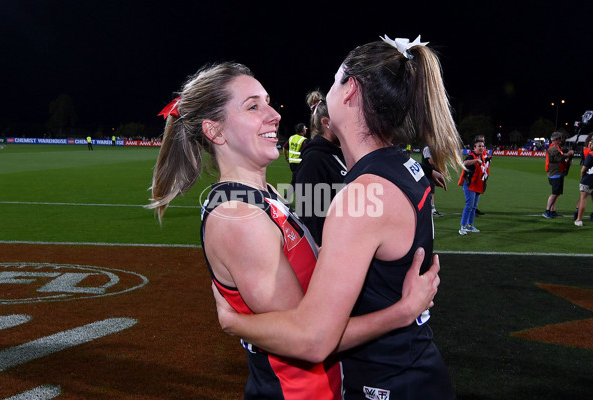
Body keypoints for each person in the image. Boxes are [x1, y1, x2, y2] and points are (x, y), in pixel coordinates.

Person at [147, 62, 441, 399]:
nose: (274, 114)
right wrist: (402, 311)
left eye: (268, 101)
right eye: (253, 106)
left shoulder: (265, 196)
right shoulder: (236, 217)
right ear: (215, 131)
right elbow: (311, 339)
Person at [212, 36, 463, 399]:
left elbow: (315, 340)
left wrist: (235, 322)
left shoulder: (362, 194)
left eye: (334, 81)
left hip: (387, 382)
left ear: (350, 91)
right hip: (415, 369)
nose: (327, 89)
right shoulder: (402, 166)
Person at [293, 90, 347, 245]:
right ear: (326, 123)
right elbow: (309, 217)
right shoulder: (314, 160)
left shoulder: (341, 153)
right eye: (342, 119)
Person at [458, 138, 487, 235]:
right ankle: (462, 227)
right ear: (474, 148)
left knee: (474, 207)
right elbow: (465, 163)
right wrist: (476, 161)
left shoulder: (481, 157)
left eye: (482, 146)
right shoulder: (471, 156)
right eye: (479, 146)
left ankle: (470, 225)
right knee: (469, 206)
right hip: (470, 185)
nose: (481, 148)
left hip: (478, 185)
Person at [543, 132, 574, 219]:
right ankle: (547, 211)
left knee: (557, 193)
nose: (561, 141)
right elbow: (559, 158)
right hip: (554, 173)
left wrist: (567, 160)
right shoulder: (553, 148)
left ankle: (552, 210)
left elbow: (560, 158)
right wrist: (568, 155)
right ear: (556, 140)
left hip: (558, 172)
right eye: (560, 139)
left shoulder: (556, 147)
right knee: (554, 193)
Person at [574, 138, 593, 226]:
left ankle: (579, 220)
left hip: (588, 179)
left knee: (583, 199)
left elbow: (583, 170)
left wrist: (582, 178)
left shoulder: (591, 155)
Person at [422, 145, 444, 217]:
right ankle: (430, 210)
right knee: (429, 191)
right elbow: (431, 161)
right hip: (427, 173)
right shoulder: (427, 148)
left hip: (431, 172)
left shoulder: (433, 148)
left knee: (431, 191)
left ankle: (432, 209)